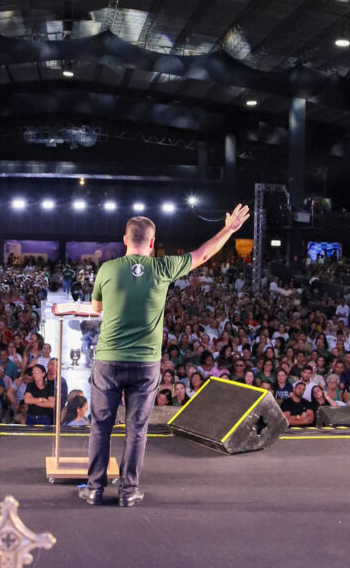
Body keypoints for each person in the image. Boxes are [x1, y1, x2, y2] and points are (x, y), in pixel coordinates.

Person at [65, 204, 250, 507]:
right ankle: (128, 491)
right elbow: (202, 254)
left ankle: (95, 489)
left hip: (109, 360)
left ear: (125, 240)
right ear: (152, 242)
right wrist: (228, 230)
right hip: (145, 363)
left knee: (101, 426)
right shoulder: (163, 267)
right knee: (137, 429)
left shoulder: (108, 269)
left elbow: (97, 309)